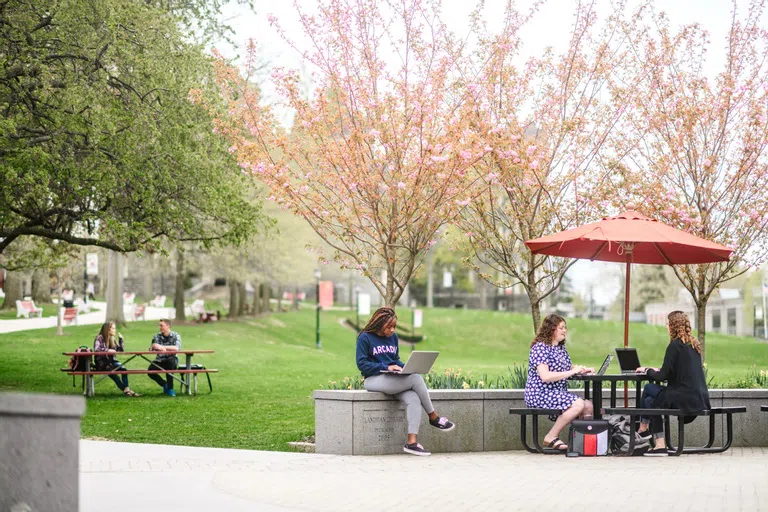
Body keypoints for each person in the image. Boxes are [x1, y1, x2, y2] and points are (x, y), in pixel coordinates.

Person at [356, 307, 455, 456]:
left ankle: (412, 442)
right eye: (389, 326)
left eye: (394, 326)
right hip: (373, 380)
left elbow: (395, 359)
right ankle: (433, 417)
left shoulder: (393, 338)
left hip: (392, 380)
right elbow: (362, 364)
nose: (392, 330)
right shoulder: (365, 338)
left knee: (413, 398)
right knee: (415, 379)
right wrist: (386, 367)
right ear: (379, 323)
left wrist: (406, 367)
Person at [636, 310, 711, 457]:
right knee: (652, 400)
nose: (666, 326)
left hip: (682, 397)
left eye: (667, 323)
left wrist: (647, 371)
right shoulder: (693, 345)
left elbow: (662, 376)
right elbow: (676, 372)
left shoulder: (674, 346)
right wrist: (657, 370)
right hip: (698, 397)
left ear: (673, 325)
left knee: (648, 387)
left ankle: (643, 429)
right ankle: (658, 443)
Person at [524, 314, 594, 451]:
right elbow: (545, 376)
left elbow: (570, 368)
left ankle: (583, 443)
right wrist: (571, 372)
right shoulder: (540, 348)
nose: (565, 330)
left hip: (556, 394)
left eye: (565, 327)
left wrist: (583, 369)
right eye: (561, 327)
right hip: (539, 394)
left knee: (588, 406)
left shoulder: (560, 349)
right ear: (551, 329)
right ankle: (551, 436)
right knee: (578, 404)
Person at [93, 321, 140, 397]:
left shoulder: (112, 339)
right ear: (108, 329)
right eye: (113, 328)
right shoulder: (99, 338)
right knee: (114, 375)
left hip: (112, 362)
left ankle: (127, 390)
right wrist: (107, 350)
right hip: (102, 363)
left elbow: (120, 350)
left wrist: (121, 340)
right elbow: (97, 349)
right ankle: (128, 391)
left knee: (124, 370)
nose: (115, 330)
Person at [148, 318, 181, 397]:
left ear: (168, 326)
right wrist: (155, 346)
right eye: (159, 325)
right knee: (150, 371)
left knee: (170, 363)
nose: (160, 327)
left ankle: (170, 389)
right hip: (160, 360)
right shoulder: (156, 336)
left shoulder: (176, 335)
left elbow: (176, 348)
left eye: (162, 325)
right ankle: (164, 384)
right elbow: (152, 347)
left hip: (172, 360)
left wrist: (162, 347)